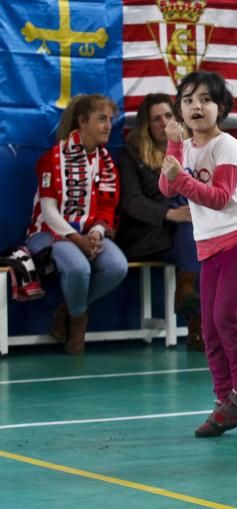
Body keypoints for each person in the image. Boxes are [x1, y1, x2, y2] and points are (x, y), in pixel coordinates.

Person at [158, 70, 237, 438]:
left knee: (226, 316)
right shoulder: (185, 147)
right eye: (188, 100)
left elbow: (220, 198)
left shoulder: (228, 147)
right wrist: (174, 148)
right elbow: (166, 186)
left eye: (205, 99)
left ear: (220, 107)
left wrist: (182, 176)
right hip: (209, 248)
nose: (196, 106)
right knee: (208, 327)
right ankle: (224, 399)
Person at [26, 94, 129, 355]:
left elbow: (106, 206)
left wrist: (95, 233)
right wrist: (77, 239)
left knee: (117, 267)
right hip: (48, 233)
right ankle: (79, 323)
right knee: (78, 268)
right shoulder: (53, 158)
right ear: (82, 122)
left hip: (87, 232)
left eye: (110, 120)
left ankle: (68, 310)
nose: (108, 126)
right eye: (102, 119)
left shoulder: (106, 163)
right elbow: (49, 212)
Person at [117, 93, 203, 351]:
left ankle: (191, 301)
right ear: (146, 124)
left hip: (184, 233)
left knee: (196, 231)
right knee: (188, 226)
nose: (164, 122)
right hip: (146, 233)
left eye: (168, 116)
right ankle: (195, 321)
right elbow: (131, 202)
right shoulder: (131, 153)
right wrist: (169, 214)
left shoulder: (190, 149)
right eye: (156, 119)